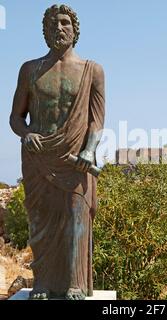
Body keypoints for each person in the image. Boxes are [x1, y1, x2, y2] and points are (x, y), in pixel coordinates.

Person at [9, 4, 105, 300]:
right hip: (39, 159)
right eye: (52, 24)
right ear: (45, 31)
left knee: (76, 216)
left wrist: (89, 150)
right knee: (42, 221)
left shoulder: (93, 70)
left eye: (64, 23)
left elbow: (97, 120)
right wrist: (27, 135)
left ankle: (75, 283)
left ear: (75, 30)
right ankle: (43, 283)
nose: (58, 28)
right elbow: (15, 118)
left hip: (75, 159)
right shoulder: (29, 70)